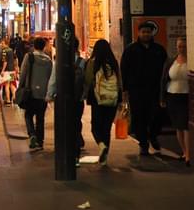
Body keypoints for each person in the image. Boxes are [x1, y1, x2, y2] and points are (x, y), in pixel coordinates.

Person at [120, 21, 168, 156]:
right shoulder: (130, 50)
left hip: (155, 90)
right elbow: (124, 69)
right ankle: (143, 143)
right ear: (138, 33)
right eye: (143, 32)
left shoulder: (159, 49)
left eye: (148, 32)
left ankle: (153, 136)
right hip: (136, 91)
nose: (146, 34)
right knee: (139, 117)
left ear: (152, 33)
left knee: (156, 115)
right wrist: (125, 90)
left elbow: (165, 70)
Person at [47, 37, 87, 161]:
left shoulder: (60, 62)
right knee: (76, 121)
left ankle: (68, 148)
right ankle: (76, 147)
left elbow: (53, 80)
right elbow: (87, 81)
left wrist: (49, 95)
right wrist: (84, 95)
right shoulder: (83, 62)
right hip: (78, 98)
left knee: (64, 123)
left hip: (63, 98)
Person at [82, 38, 121, 166]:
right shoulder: (114, 62)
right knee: (107, 127)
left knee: (95, 127)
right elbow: (119, 81)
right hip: (113, 98)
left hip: (97, 99)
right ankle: (105, 156)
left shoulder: (92, 63)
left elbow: (87, 80)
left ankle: (101, 145)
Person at [19, 37, 53, 150]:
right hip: (43, 94)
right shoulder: (48, 60)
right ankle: (40, 142)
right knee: (40, 118)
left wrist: (20, 87)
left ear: (34, 45)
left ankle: (32, 134)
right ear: (44, 47)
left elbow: (23, 73)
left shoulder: (29, 57)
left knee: (28, 115)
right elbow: (50, 77)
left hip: (30, 92)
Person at [161, 37, 190, 166]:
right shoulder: (171, 61)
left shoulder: (191, 61)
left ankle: (189, 154)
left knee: (186, 126)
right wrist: (162, 98)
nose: (181, 49)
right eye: (179, 46)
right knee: (178, 126)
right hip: (172, 95)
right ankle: (184, 151)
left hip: (186, 96)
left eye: (183, 46)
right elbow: (164, 79)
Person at [0, 37, 18, 105]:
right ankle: (14, 97)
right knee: (12, 85)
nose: (1, 44)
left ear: (6, 44)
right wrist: (16, 67)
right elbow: (16, 59)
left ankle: (8, 100)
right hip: (12, 70)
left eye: (2, 43)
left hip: (7, 70)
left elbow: (5, 62)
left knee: (6, 85)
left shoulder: (4, 51)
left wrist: (2, 70)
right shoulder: (11, 50)